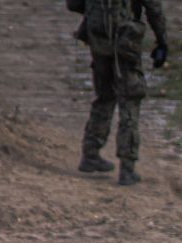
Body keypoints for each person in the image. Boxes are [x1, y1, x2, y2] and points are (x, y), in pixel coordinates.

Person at [70, 0, 168, 186]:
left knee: (105, 96)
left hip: (97, 37)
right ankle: (127, 166)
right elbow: (154, 9)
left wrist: (96, 14)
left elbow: (72, 4)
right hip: (125, 41)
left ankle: (90, 154)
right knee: (130, 99)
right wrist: (162, 41)